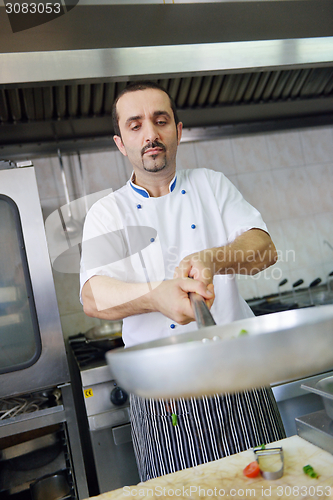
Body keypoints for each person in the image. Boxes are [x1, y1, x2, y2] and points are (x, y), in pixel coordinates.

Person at [80, 81, 286, 482]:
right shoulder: (108, 213)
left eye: (160, 121)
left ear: (178, 130)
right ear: (121, 143)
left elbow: (264, 249)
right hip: (161, 394)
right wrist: (155, 297)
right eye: (135, 125)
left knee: (268, 487)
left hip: (239, 378)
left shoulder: (212, 184)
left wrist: (213, 257)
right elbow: (92, 296)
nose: (151, 134)